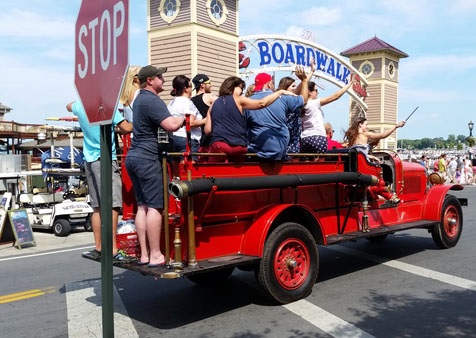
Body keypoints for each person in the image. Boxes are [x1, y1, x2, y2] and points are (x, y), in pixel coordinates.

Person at [125, 65, 186, 266]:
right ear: (150, 80)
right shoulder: (152, 100)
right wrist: (182, 118)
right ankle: (156, 254)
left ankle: (144, 254)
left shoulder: (139, 99)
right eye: (160, 76)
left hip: (134, 156)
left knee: (142, 206)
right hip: (148, 157)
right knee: (155, 206)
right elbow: (170, 125)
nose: (163, 80)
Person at [66, 101, 134, 262]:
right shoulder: (105, 105)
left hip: (89, 159)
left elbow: (69, 106)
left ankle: (99, 247)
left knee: (97, 207)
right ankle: (113, 249)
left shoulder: (81, 105)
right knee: (112, 204)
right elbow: (126, 128)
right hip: (104, 158)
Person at [204, 76, 295, 163]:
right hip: (239, 146)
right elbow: (261, 103)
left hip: (219, 145)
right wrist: (279, 93)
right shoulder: (239, 100)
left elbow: (208, 130)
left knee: (215, 174)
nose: (242, 92)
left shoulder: (213, 105)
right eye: (241, 88)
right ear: (233, 87)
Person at [245, 65, 310, 161]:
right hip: (279, 151)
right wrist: (304, 81)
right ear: (268, 84)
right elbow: (303, 100)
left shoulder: (247, 102)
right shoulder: (281, 98)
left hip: (256, 152)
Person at [344, 116, 406, 205]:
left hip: (356, 166)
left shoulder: (352, 136)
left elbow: (358, 153)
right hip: (365, 167)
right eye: (366, 124)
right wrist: (396, 126)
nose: (367, 127)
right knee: (379, 176)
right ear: (360, 125)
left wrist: (372, 157)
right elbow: (382, 135)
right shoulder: (364, 134)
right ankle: (389, 195)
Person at [301, 71, 353, 154]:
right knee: (321, 163)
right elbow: (336, 96)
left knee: (306, 164)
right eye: (316, 90)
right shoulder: (314, 103)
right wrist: (349, 84)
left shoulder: (301, 104)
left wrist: (311, 71)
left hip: (304, 138)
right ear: (309, 92)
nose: (317, 92)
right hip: (317, 137)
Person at [168, 75, 204, 159]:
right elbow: (190, 122)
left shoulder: (171, 103)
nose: (191, 89)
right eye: (190, 86)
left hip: (173, 138)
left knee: (175, 170)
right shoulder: (187, 103)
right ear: (185, 88)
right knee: (188, 168)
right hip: (187, 139)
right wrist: (206, 120)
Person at [190, 74, 217, 154]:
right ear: (202, 85)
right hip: (210, 138)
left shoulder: (191, 100)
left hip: (198, 138)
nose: (211, 85)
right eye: (209, 82)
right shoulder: (209, 97)